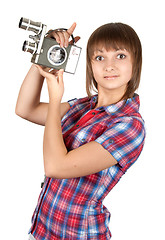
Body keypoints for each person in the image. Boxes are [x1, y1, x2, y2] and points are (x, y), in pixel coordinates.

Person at [15, 22, 146, 240]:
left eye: (120, 56)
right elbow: (26, 108)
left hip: (79, 235)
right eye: (99, 57)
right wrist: (46, 50)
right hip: (42, 231)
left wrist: (55, 98)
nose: (109, 66)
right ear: (90, 65)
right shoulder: (84, 107)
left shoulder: (130, 125)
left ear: (135, 63)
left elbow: (56, 166)